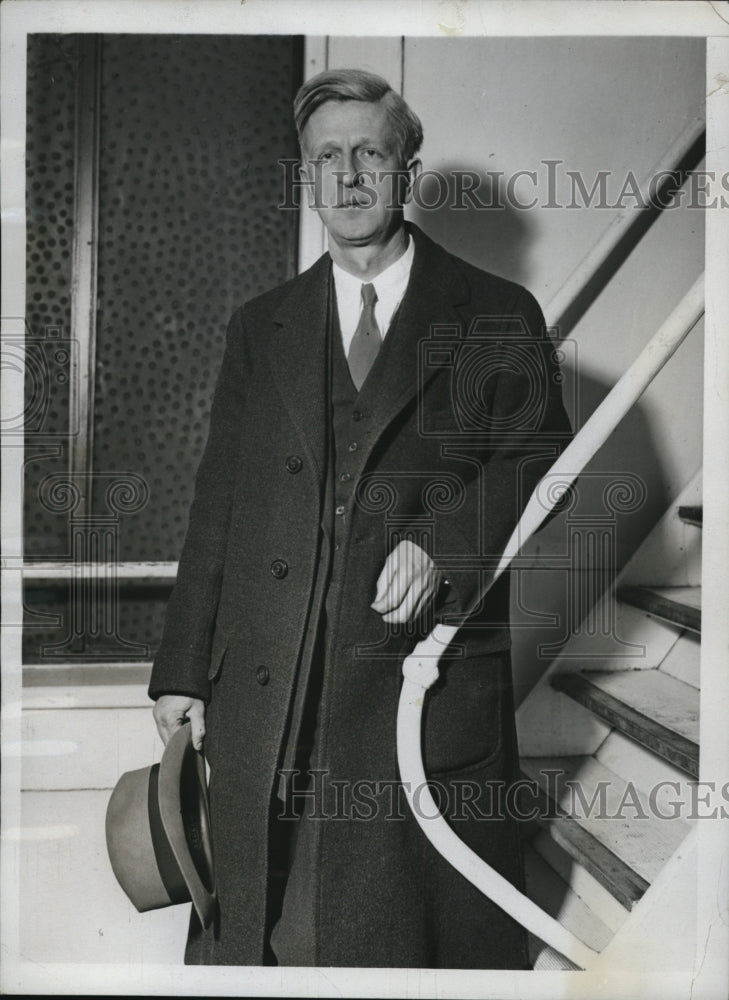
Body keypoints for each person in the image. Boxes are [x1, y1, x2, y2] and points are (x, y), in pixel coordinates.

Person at [149, 68, 572, 969]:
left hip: (412, 684)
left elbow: (545, 464)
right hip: (270, 684)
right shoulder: (259, 327)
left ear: (405, 167)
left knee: (405, 943)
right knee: (271, 933)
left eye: (369, 154)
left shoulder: (498, 313)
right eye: (325, 158)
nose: (347, 177)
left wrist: (445, 543)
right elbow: (218, 499)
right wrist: (181, 667)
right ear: (305, 176)